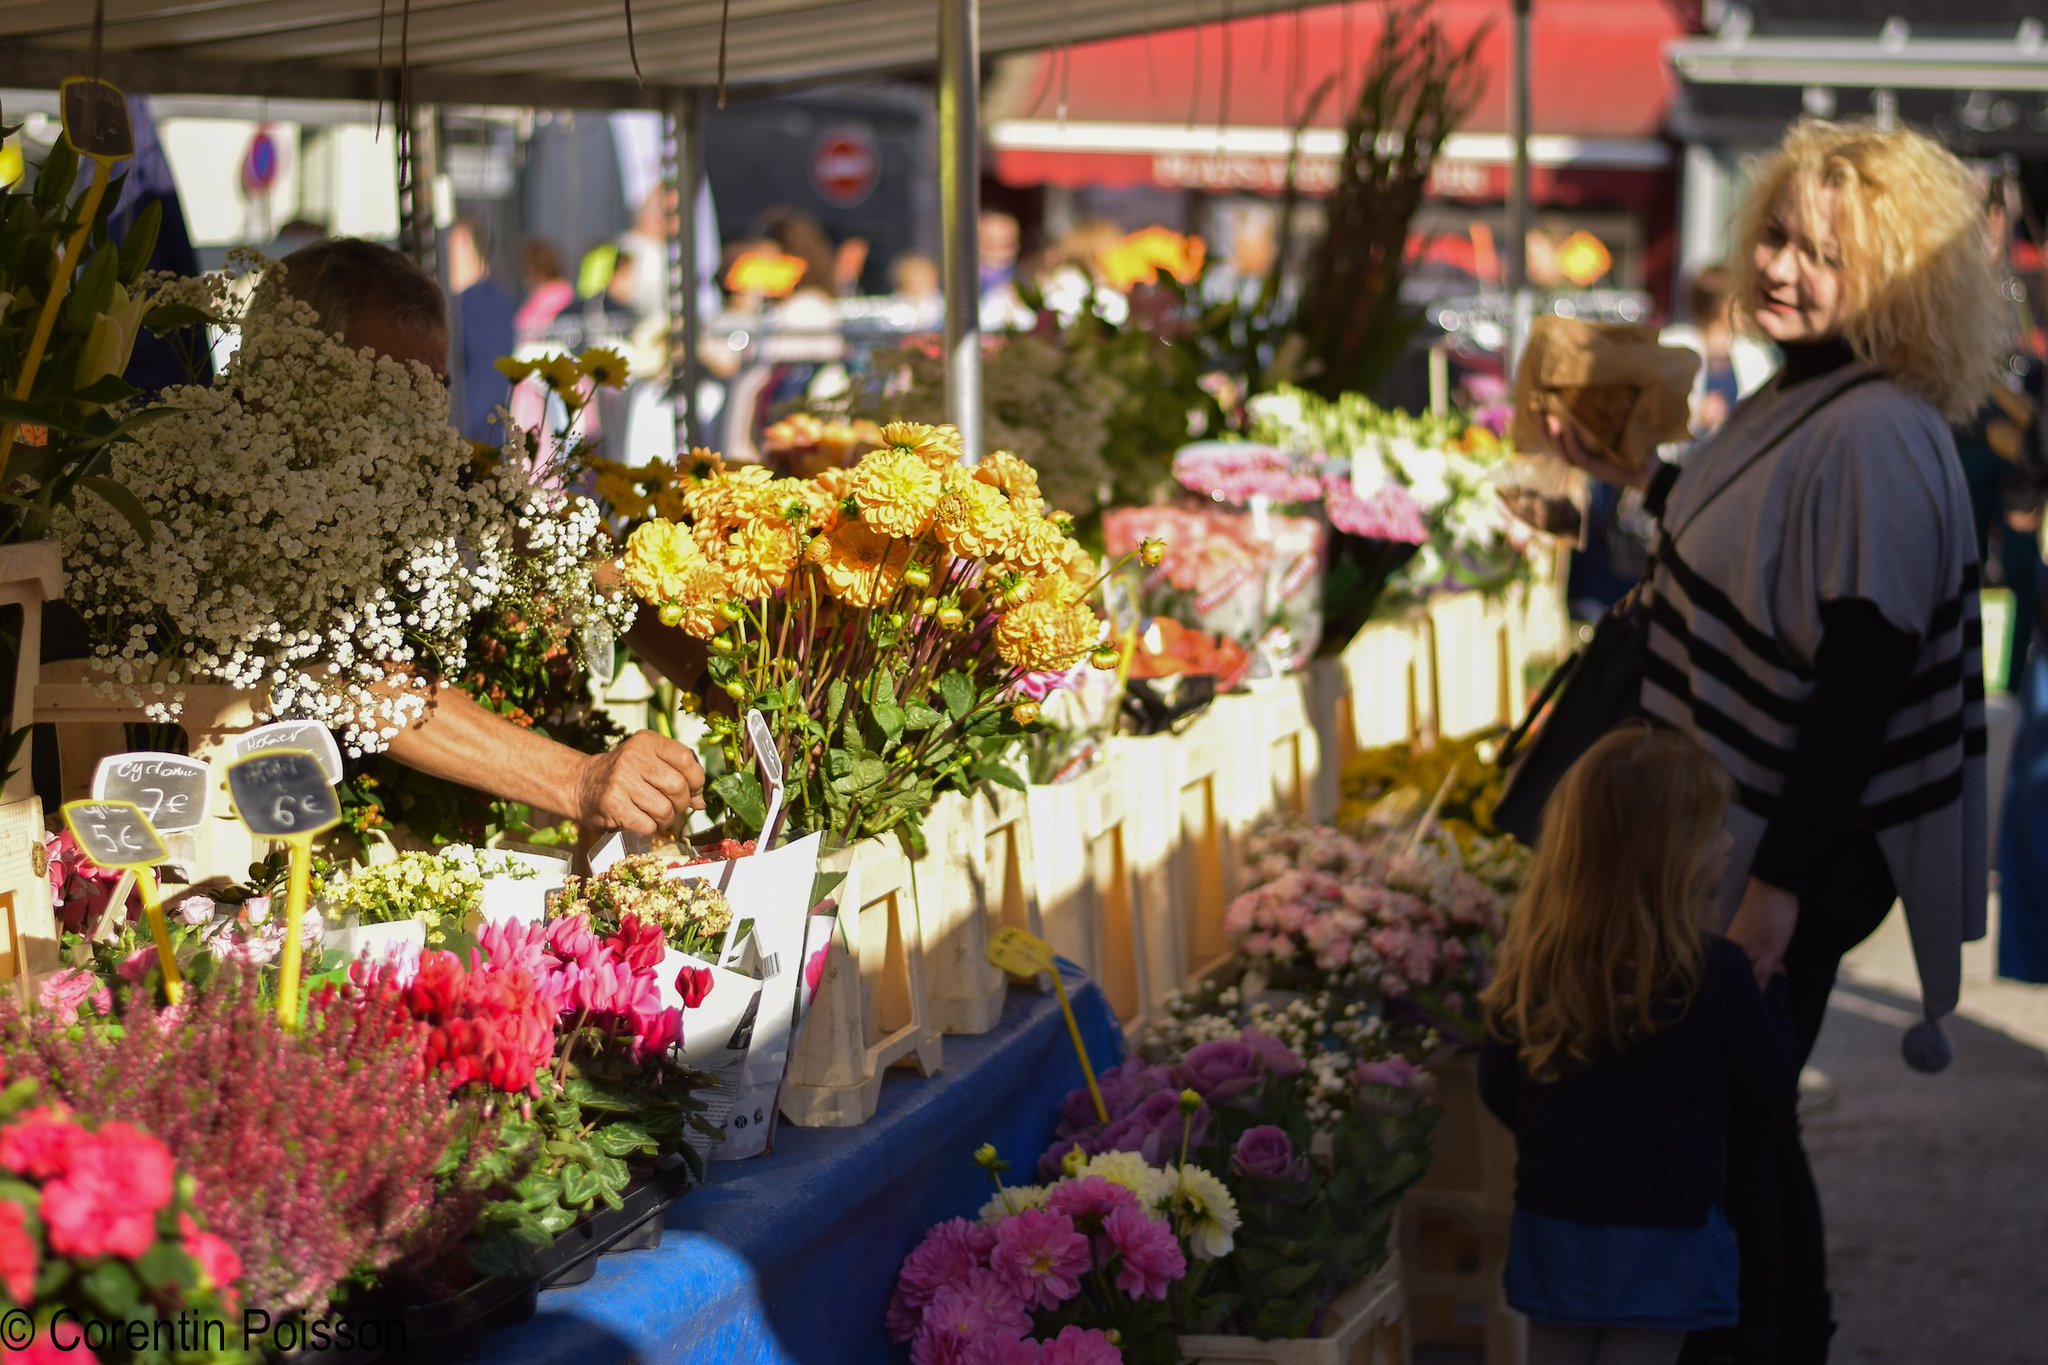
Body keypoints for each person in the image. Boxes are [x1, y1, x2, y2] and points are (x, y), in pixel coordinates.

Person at [1543, 120, 2001, 1363]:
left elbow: (1861, 683)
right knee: (1750, 1124)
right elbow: (1733, 537)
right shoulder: (1805, 399)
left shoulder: (1875, 430)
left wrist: (1776, 895)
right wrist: (1629, 481)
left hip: (1787, 846)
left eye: (1824, 254)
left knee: (1733, 1130)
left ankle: (1763, 1342)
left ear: (1898, 276)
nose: (1781, 269)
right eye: (1775, 237)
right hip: (1740, 837)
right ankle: (1774, 1338)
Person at [256, 238, 709, 838]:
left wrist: (729, 681)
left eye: (432, 390)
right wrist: (582, 780)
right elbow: (359, 684)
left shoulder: (435, 468)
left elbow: (578, 566)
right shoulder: (240, 497)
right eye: (385, 389)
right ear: (293, 373)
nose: (413, 422)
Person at [1480, 726, 1793, 1365]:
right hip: (1667, 1229)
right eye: (1713, 834)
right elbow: (1766, 1089)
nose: (1729, 843)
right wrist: (1775, 999)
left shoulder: (1536, 967)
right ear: (1666, 856)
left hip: (1556, 1222)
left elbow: (1498, 1084)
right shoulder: (1717, 974)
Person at [1661, 267, 1777, 436]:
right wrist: (1696, 415)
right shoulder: (1675, 345)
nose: (1749, 312)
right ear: (1723, 307)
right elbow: (1656, 410)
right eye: (1742, 304)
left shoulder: (1753, 354)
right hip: (1684, 455)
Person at [444, 217, 518, 443]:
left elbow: (487, 381)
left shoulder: (485, 302)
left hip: (475, 445)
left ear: (465, 244)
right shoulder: (469, 300)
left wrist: (456, 437)